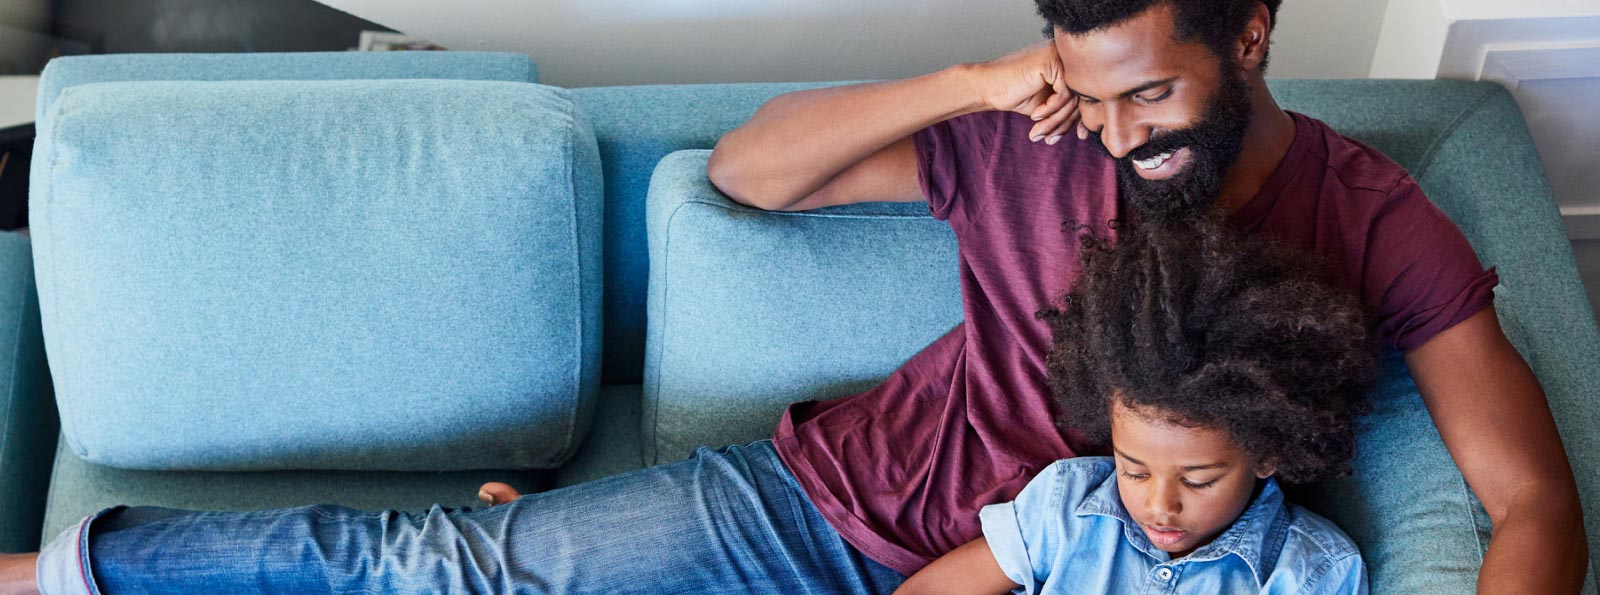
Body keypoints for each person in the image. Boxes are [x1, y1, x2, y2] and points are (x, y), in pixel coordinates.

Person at [0, 0, 1585, 593]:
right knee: (440, 568)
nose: (1118, 141)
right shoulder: (1029, 137)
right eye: (1091, 98)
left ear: (1252, 34)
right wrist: (974, 80)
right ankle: (61, 572)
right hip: (819, 508)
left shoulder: (1374, 222)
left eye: (1150, 100)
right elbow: (746, 176)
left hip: (1057, 569)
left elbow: (1528, 502)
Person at [896, 218, 1375, 595]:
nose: (1159, 506)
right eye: (1134, 471)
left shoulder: (1312, 572)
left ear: (1267, 452)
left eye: (1198, 479)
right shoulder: (1065, 507)